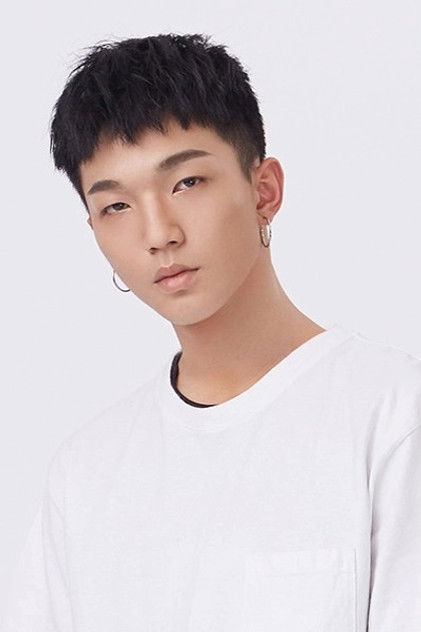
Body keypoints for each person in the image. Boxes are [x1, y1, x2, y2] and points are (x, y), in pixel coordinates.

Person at [3, 32, 421, 632]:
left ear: (264, 190)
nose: (158, 233)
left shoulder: (394, 416)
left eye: (186, 183)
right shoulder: (85, 473)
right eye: (116, 206)